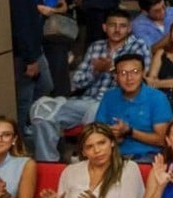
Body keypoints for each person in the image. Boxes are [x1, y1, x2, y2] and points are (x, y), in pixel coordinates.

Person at [30, 9, 152, 161]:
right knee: (42, 110)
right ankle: (48, 163)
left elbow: (139, 82)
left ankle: (85, 160)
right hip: (86, 100)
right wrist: (95, 72)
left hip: (116, 103)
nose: (117, 29)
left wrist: (111, 70)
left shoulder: (138, 47)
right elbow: (77, 80)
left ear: (129, 29)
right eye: (112, 25)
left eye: (122, 26)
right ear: (104, 27)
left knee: (96, 111)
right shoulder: (96, 47)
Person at [93, 53, 173, 162]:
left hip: (147, 156)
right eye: (123, 73)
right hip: (114, 156)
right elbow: (98, 131)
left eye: (135, 72)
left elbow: (162, 139)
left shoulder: (157, 98)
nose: (129, 78)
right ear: (116, 76)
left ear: (143, 73)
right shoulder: (109, 96)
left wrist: (129, 131)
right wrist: (113, 137)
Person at [8, 0, 52, 134]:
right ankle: (22, 133)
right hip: (26, 54)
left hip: (34, 49)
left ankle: (33, 122)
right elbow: (22, 28)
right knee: (24, 97)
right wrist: (30, 59)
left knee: (45, 85)